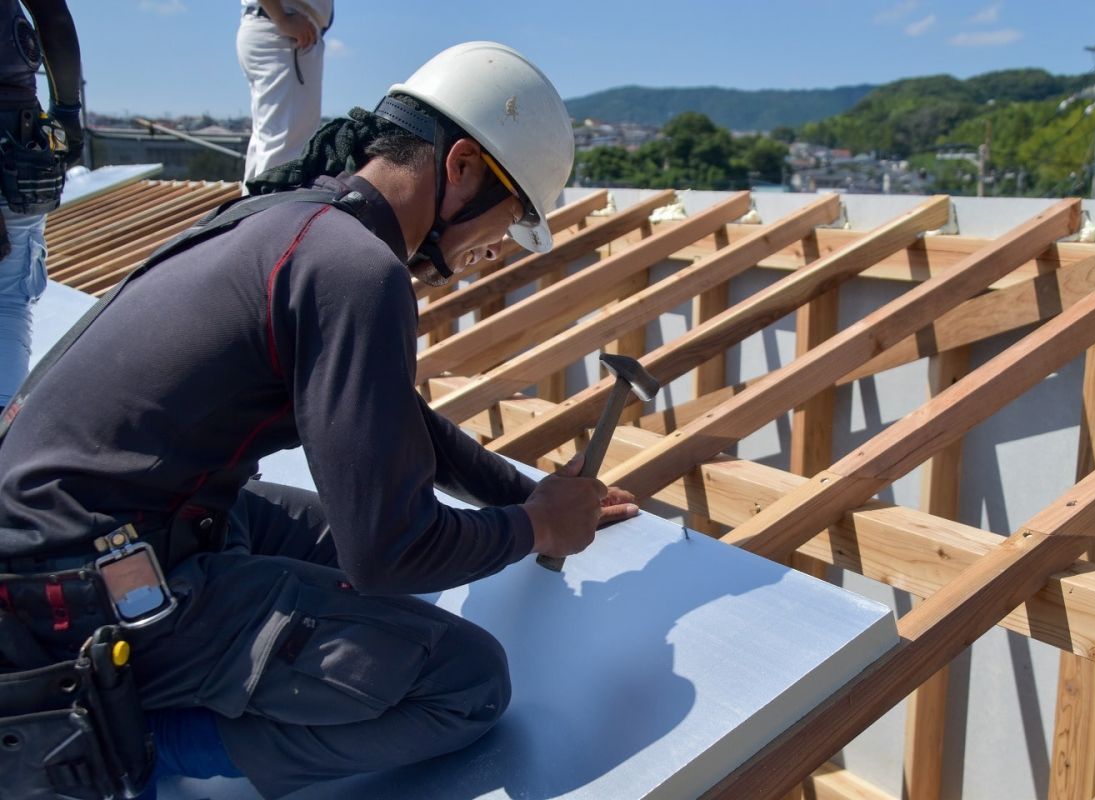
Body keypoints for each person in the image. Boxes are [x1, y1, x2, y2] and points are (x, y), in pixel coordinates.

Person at [0, 41, 637, 798]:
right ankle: (133, 744)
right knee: (467, 683)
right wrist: (536, 530)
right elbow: (391, 553)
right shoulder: (359, 271)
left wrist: (521, 494)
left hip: (93, 530)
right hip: (79, 589)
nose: (491, 250)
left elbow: (390, 416)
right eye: (506, 221)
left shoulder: (294, 222)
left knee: (349, 554)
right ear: (461, 167)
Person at [0, 0, 83, 407]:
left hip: (15, 144)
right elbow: (51, 13)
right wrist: (67, 114)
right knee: (6, 304)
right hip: (14, 147)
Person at [237, 0, 331, 184]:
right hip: (283, 29)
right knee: (284, 149)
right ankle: (269, 212)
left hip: (278, 25)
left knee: (274, 142)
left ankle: (256, 210)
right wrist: (281, 18)